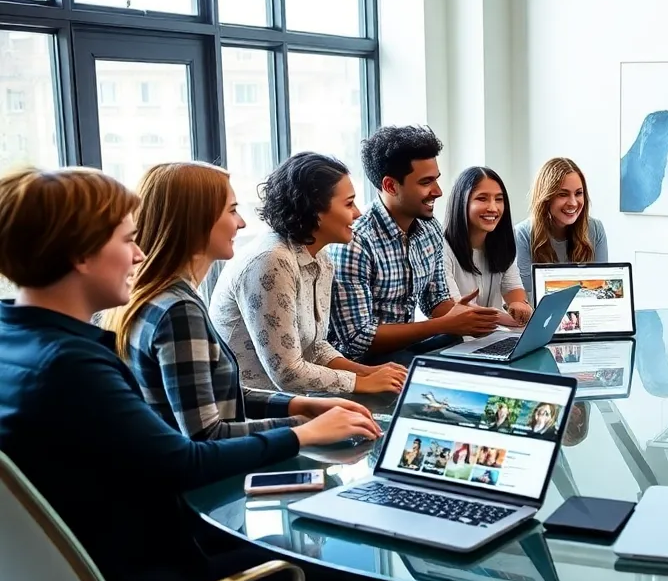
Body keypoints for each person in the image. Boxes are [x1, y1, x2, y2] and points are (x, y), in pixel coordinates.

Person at [0, 167, 443, 581]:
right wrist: (302, 434)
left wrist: (301, 411)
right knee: (349, 551)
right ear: (80, 255)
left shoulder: (17, 342)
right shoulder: (71, 367)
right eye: (125, 240)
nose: (138, 255)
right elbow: (186, 458)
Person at [107, 161, 374, 444]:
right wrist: (303, 428)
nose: (242, 223)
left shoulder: (166, 298)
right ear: (197, 221)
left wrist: (301, 406)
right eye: (232, 211)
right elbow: (207, 436)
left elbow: (226, 396)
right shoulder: (178, 311)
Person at [210, 152, 407, 395]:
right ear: (314, 210)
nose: (358, 213)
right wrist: (361, 382)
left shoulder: (320, 257)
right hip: (247, 410)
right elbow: (287, 373)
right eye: (348, 203)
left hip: (290, 402)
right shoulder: (271, 260)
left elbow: (316, 347)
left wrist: (369, 372)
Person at [328, 125, 498, 362]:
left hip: (405, 350)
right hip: (362, 362)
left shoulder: (430, 228)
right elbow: (357, 339)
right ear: (390, 186)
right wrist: (444, 324)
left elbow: (436, 300)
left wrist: (479, 319)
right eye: (426, 182)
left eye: (436, 180)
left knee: (469, 350)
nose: (438, 192)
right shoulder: (355, 241)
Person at [443, 166, 531, 325]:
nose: (493, 208)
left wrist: (520, 307)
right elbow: (456, 310)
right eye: (482, 198)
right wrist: (504, 318)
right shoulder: (442, 248)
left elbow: (515, 293)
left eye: (499, 199)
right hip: (453, 342)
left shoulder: (502, 245)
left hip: (490, 338)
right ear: (461, 202)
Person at [514, 157, 609, 301]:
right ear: (546, 197)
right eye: (563, 194)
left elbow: (600, 289)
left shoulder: (596, 229)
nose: (573, 203)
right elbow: (528, 297)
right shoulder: (522, 234)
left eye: (578, 193)